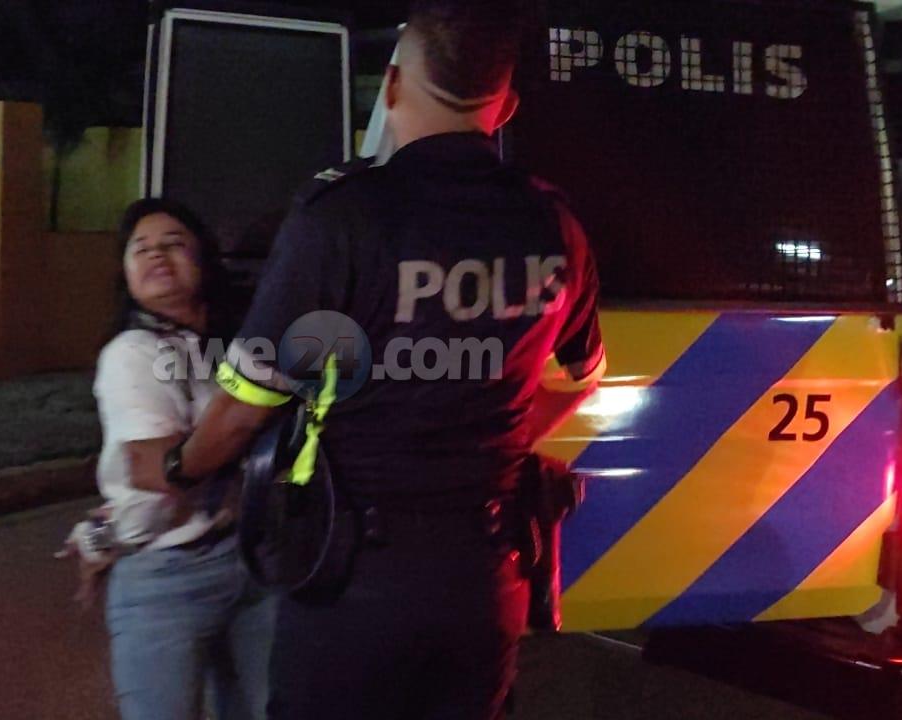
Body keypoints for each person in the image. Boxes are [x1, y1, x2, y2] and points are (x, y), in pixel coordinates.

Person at [158, 2, 605, 718]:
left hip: (351, 576)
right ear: (506, 106)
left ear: (391, 86)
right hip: (486, 576)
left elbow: (245, 407)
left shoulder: (342, 216)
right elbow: (580, 379)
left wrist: (182, 469)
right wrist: (494, 441)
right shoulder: (554, 223)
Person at [59, 198, 275, 720]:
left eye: (174, 244)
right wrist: (106, 538)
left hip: (253, 561)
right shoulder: (133, 354)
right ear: (126, 273)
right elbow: (158, 480)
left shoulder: (231, 345)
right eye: (141, 249)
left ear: (204, 260)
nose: (156, 255)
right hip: (167, 578)